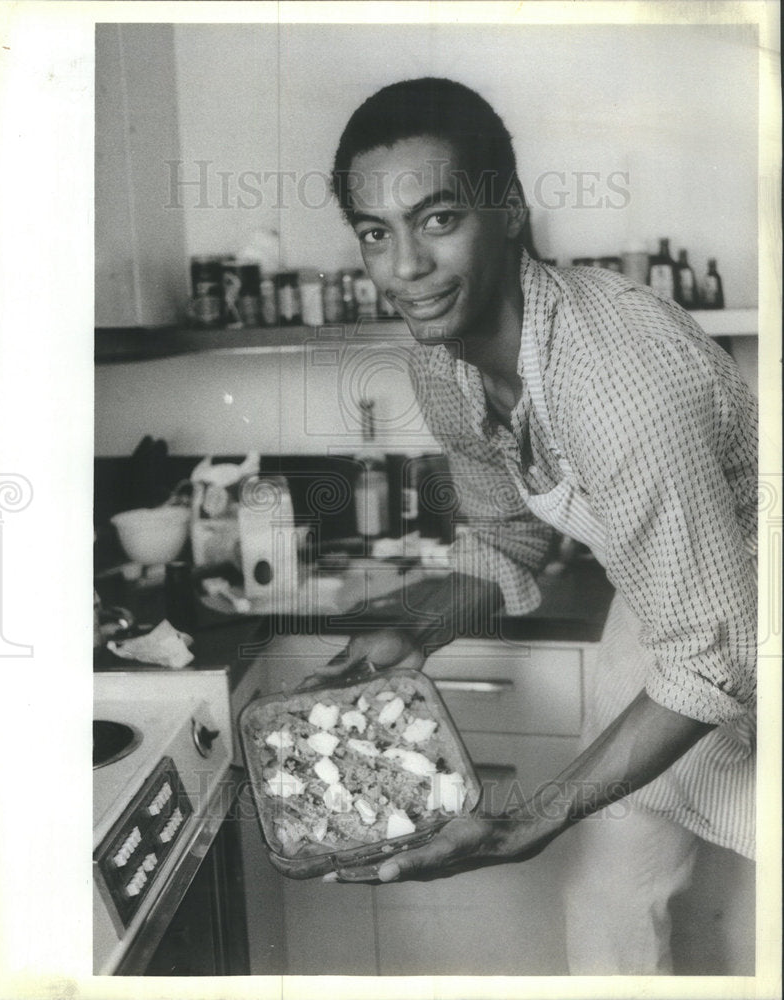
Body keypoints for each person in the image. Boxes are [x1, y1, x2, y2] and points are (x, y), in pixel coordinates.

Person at [319, 77, 757, 975]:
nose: (404, 267)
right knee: (605, 899)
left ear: (508, 212)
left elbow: (716, 654)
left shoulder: (613, 379)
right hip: (672, 612)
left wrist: (527, 820)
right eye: (375, 232)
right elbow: (508, 536)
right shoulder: (445, 364)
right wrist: (416, 626)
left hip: (750, 614)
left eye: (436, 220)